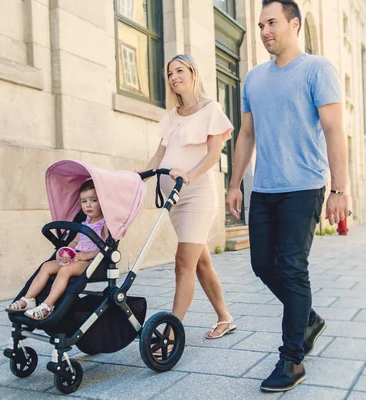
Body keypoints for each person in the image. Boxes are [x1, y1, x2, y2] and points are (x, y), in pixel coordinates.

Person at [225, 0, 349, 392]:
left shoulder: (317, 69)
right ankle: (308, 319)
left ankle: (292, 358)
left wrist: (340, 189)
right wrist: (234, 183)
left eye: (272, 23)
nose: (264, 31)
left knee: (292, 266)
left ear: (293, 24)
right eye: (260, 25)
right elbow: (246, 135)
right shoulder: (254, 79)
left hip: (305, 186)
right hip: (264, 188)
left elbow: (333, 130)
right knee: (263, 264)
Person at [144, 54, 236, 341]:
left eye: (179, 71)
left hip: (196, 195)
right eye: (169, 73)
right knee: (201, 262)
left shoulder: (211, 109)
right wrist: (138, 175)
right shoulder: (172, 116)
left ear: (193, 73)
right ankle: (225, 318)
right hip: (174, 198)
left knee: (183, 262)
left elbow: (212, 155)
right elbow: (160, 154)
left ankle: (171, 332)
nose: (174, 78)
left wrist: (188, 175)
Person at [5, 179, 108, 320]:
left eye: (93, 200)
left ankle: (48, 305)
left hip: (92, 262)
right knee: (47, 266)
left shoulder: (104, 224)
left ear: (102, 201)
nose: (88, 205)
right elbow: (74, 242)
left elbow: (106, 248)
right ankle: (29, 299)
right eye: (84, 201)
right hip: (76, 258)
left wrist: (86, 255)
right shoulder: (85, 223)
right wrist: (65, 252)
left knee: (65, 270)